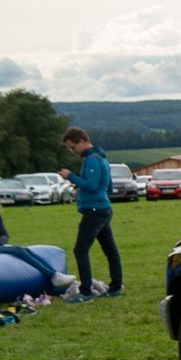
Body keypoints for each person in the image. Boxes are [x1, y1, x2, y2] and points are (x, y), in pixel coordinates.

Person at [57, 127, 124, 300]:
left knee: (80, 250)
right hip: (103, 208)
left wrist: (71, 177)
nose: (73, 151)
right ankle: (116, 288)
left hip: (94, 211)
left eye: (73, 147)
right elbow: (109, 187)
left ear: (82, 141)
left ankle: (86, 292)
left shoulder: (92, 159)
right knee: (110, 250)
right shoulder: (102, 158)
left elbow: (92, 185)